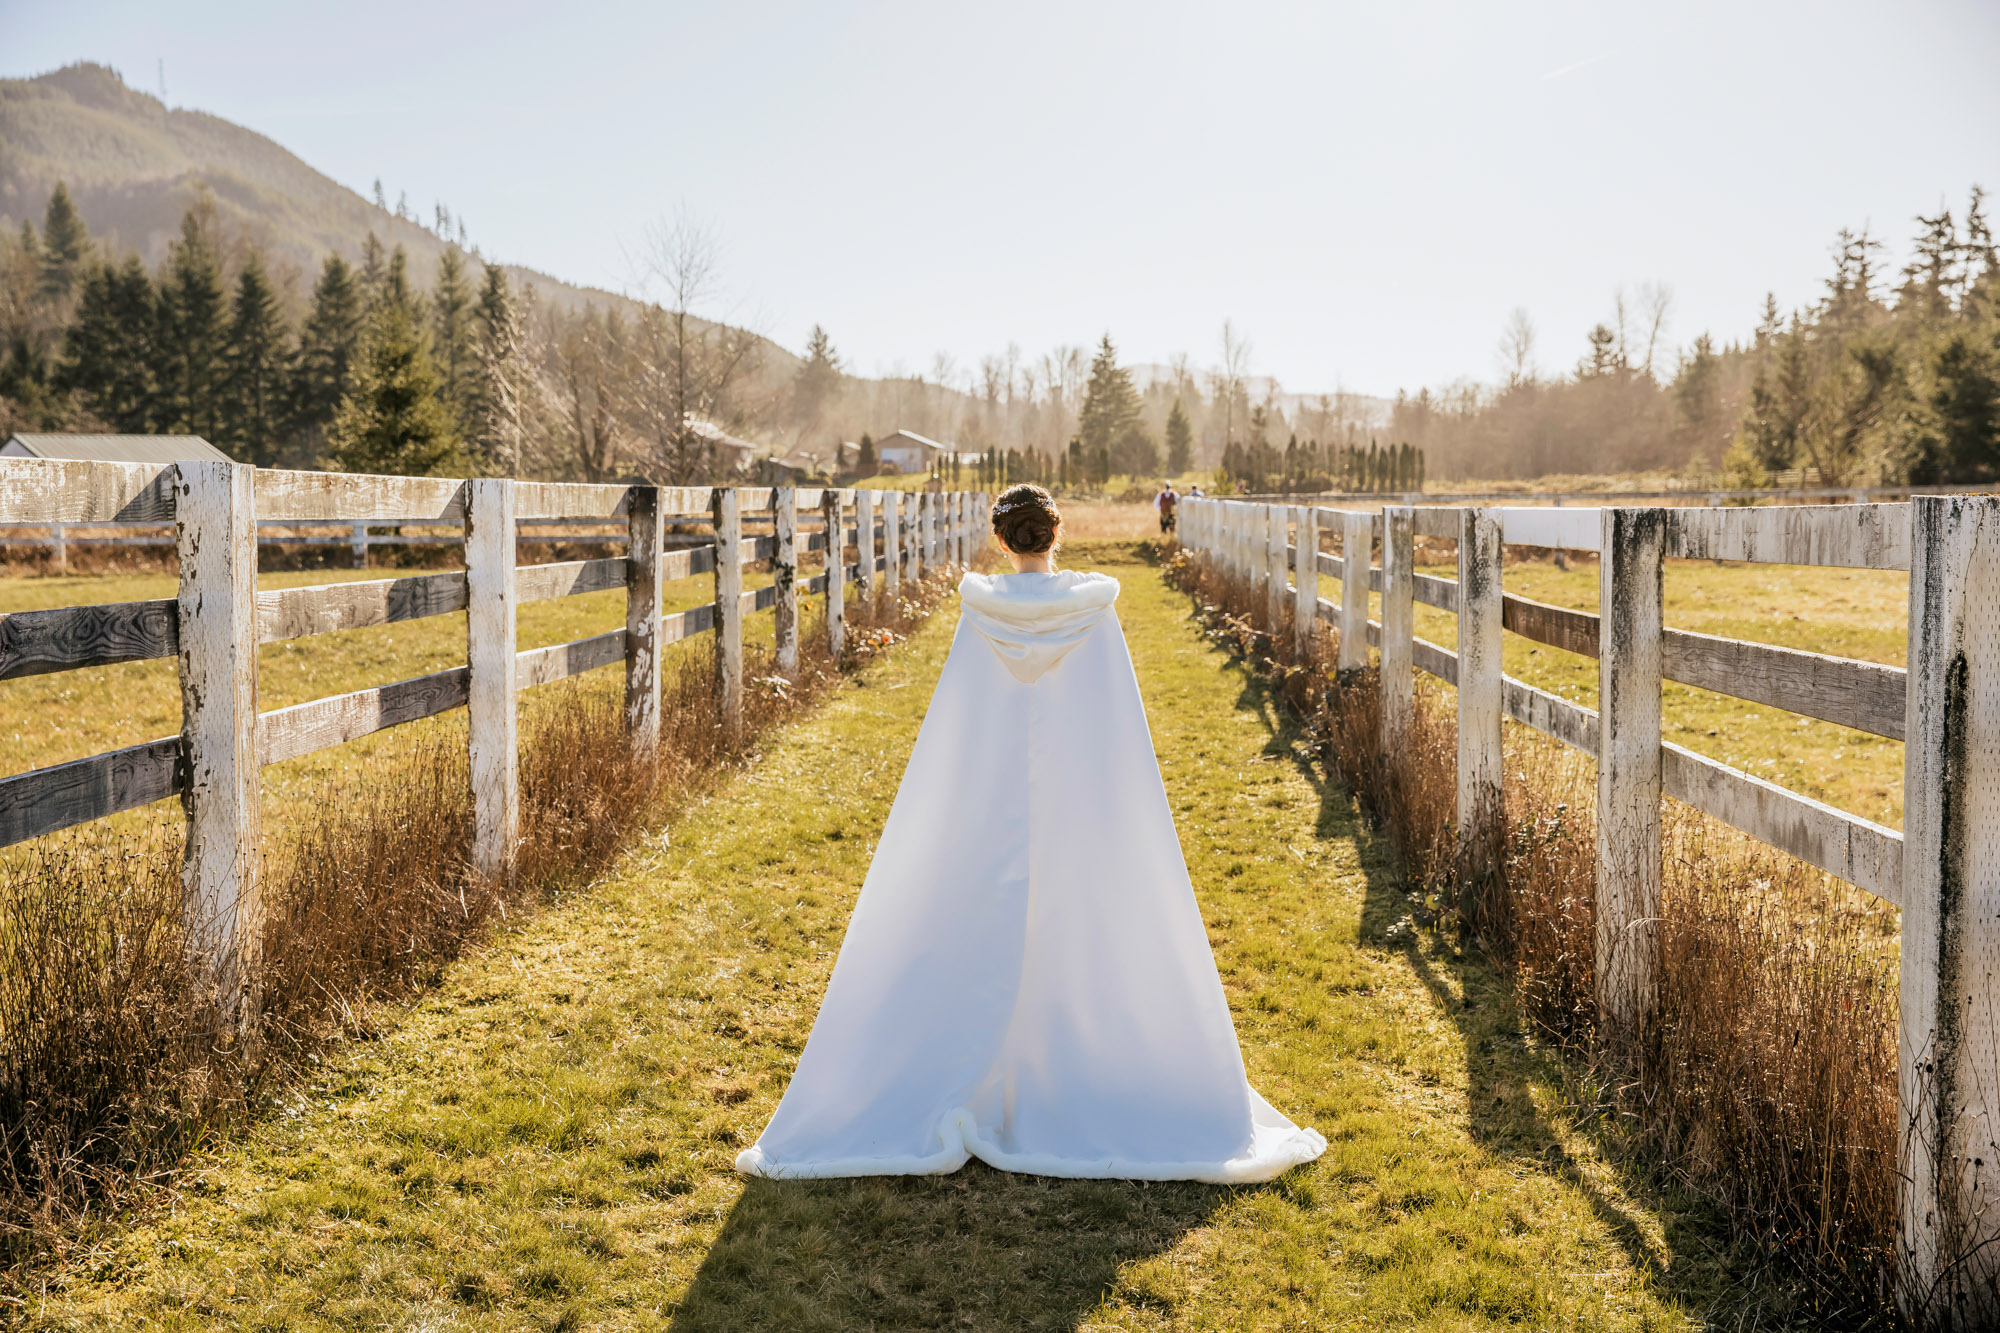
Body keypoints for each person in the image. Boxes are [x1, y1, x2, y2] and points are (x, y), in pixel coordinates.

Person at [736, 483, 1326, 1184]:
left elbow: (965, 722)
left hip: (991, 809)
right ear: (1056, 532)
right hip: (1081, 801)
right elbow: (1113, 726)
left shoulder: (980, 615)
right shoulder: (1095, 615)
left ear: (1000, 538)